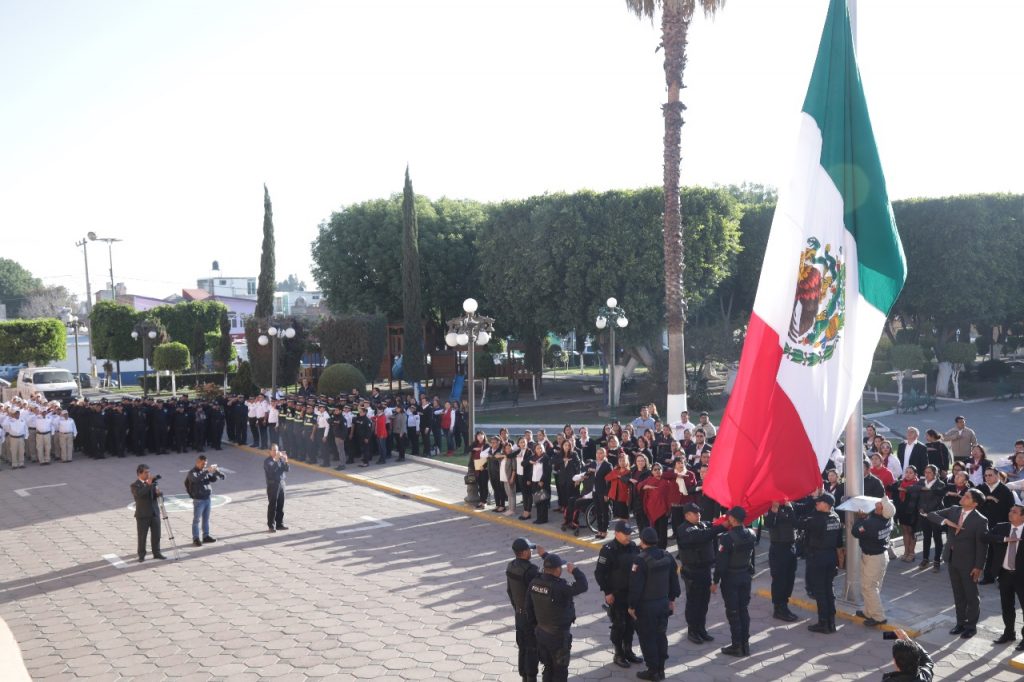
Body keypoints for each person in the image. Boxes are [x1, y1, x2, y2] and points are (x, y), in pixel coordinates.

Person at [927, 488, 988, 639]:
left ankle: (971, 626)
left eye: (967, 497)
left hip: (968, 563)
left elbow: (982, 546)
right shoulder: (954, 510)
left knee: (971, 595)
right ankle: (960, 623)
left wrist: (979, 567)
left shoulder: (980, 520)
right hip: (951, 559)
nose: (963, 497)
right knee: (958, 594)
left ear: (974, 504)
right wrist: (946, 521)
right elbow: (930, 514)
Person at [526, 553, 588, 682]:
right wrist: (575, 571)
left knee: (548, 667)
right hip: (558, 637)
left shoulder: (534, 583)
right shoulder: (560, 587)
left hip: (541, 633)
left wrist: (536, 626)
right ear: (557, 570)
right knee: (560, 671)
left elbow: (529, 608)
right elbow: (583, 586)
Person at [629, 526, 680, 681]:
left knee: (647, 638)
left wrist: (631, 606)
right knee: (660, 635)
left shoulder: (640, 560)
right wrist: (672, 599)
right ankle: (661, 669)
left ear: (642, 541)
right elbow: (674, 581)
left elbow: (636, 587)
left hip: (647, 607)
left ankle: (653, 671)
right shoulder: (667, 556)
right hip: (663, 604)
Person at [594, 521, 643, 669]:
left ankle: (628, 650)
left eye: (629, 533)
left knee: (631, 624)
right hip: (617, 594)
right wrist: (607, 592)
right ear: (616, 534)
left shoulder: (633, 547)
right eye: (625, 533)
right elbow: (599, 573)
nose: (628, 536)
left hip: (632, 594)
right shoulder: (608, 550)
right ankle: (619, 653)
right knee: (619, 625)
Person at [674, 502, 725, 643]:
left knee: (704, 601)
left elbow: (713, 525)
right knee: (694, 602)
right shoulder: (684, 529)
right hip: (692, 572)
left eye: (699, 513)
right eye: (695, 513)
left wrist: (724, 520)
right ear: (687, 515)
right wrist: (721, 526)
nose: (699, 515)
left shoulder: (702, 524)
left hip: (705, 570)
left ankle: (701, 629)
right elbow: (702, 536)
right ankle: (692, 631)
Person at [713, 506, 756, 657]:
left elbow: (721, 564)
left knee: (733, 612)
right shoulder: (751, 533)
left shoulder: (727, 538)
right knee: (743, 609)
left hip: (731, 578)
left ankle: (737, 645)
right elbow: (752, 557)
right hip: (745, 575)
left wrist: (715, 581)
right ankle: (745, 644)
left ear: (732, 519)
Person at [799, 492, 843, 634]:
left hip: (818, 558)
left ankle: (823, 623)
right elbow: (839, 542)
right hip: (831, 557)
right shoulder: (835, 517)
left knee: (820, 591)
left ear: (827, 505)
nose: (816, 503)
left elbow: (798, 523)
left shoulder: (817, 519)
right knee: (829, 590)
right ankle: (831, 622)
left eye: (819, 502)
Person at [506, 538, 547, 682]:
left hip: (519, 614)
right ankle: (531, 678)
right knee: (532, 649)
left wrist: (517, 608)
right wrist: (545, 557)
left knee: (522, 647)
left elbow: (509, 591)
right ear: (523, 552)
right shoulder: (531, 570)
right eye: (529, 549)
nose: (531, 552)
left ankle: (524, 677)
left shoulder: (510, 566)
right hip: (531, 617)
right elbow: (546, 583)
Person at [852, 496, 896, 627]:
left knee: (869, 587)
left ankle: (878, 617)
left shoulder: (870, 523)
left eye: (880, 504)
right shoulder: (888, 518)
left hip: (873, 558)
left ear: (881, 510)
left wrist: (860, 518)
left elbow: (855, 532)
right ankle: (869, 611)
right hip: (880, 556)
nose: (878, 503)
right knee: (873, 586)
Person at [984, 504, 1024, 649]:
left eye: (1014, 512)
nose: (1010, 513)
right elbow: (986, 536)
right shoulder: (1002, 527)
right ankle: (1009, 633)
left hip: (1022, 576)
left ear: (1022, 516)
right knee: (1007, 606)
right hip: (1005, 574)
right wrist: (1005, 539)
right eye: (1010, 510)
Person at [765, 500, 801, 622]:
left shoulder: (790, 505)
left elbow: (796, 522)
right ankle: (778, 608)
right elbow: (768, 524)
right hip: (778, 548)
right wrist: (774, 511)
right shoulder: (772, 506)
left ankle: (784, 605)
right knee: (779, 579)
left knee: (789, 579)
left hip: (791, 546)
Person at [980, 467, 1015, 584]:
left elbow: (1011, 509)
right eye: (986, 475)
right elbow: (973, 501)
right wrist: (986, 498)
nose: (987, 477)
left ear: (997, 476)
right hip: (983, 525)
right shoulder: (981, 488)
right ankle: (988, 577)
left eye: (990, 475)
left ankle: (1001, 578)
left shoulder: (1005, 491)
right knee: (986, 552)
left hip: (999, 527)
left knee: (998, 553)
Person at [913, 465, 948, 572]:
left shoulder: (940, 484)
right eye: (925, 472)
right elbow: (917, 495)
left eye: (929, 472)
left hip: (935, 515)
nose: (926, 474)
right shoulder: (921, 483)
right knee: (926, 537)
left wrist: (927, 511)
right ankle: (925, 559)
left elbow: (938, 500)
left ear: (935, 474)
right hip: (923, 515)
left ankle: (937, 561)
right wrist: (920, 508)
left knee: (937, 538)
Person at [186, 454, 224, 547]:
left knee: (206, 519)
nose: (204, 466)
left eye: (205, 464)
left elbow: (213, 480)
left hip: (207, 498)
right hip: (199, 500)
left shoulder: (204, 471)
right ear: (198, 462)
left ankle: (206, 536)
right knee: (196, 520)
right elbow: (196, 480)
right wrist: (206, 471)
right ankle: (196, 538)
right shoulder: (192, 472)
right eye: (203, 464)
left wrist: (216, 472)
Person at [131, 464, 166, 562]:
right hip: (142, 515)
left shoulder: (152, 483)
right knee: (142, 536)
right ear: (139, 473)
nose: (148, 474)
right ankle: (141, 555)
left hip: (154, 513)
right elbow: (139, 494)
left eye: (148, 472)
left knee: (156, 534)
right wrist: (148, 485)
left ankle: (157, 552)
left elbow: (159, 498)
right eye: (146, 472)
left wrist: (160, 494)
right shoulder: (135, 485)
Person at [264, 444, 290, 532]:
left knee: (280, 505)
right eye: (274, 450)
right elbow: (271, 471)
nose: (276, 452)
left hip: (281, 484)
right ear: (270, 451)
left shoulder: (279, 460)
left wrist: (286, 460)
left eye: (277, 450)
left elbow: (287, 469)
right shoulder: (268, 461)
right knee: (272, 506)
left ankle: (279, 524)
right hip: (273, 485)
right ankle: (271, 525)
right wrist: (276, 460)